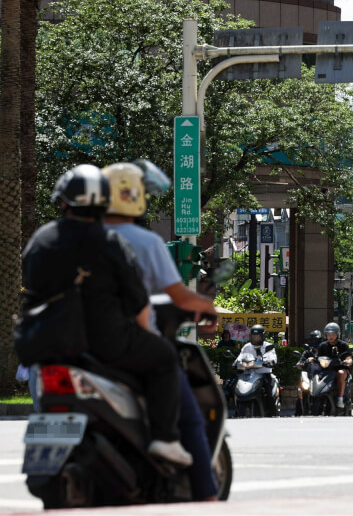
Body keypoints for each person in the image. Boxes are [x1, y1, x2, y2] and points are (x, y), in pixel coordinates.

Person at [22, 164, 191, 466]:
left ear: (63, 201)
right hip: (105, 344)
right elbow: (139, 302)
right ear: (103, 204)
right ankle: (165, 439)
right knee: (164, 358)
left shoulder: (41, 239)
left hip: (44, 344)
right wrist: (148, 335)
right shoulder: (110, 242)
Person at [101, 160, 217, 499]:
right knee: (190, 416)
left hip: (74, 344)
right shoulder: (143, 241)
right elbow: (178, 295)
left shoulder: (78, 238)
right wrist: (208, 307)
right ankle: (206, 494)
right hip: (130, 345)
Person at [235, 324, 279, 415]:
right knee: (233, 386)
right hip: (248, 375)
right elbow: (239, 358)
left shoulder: (268, 346)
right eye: (253, 336)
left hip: (263, 374)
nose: (255, 338)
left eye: (257, 336)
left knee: (269, 394)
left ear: (262, 336)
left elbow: (273, 358)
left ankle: (273, 414)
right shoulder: (247, 347)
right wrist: (236, 364)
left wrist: (268, 362)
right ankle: (237, 411)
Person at [316, 322, 353, 408]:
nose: (330, 336)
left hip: (340, 369)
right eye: (328, 334)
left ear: (337, 334)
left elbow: (349, 357)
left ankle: (340, 398)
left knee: (340, 373)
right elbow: (317, 357)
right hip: (326, 370)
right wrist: (311, 360)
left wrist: (348, 361)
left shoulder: (343, 345)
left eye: (333, 334)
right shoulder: (322, 345)